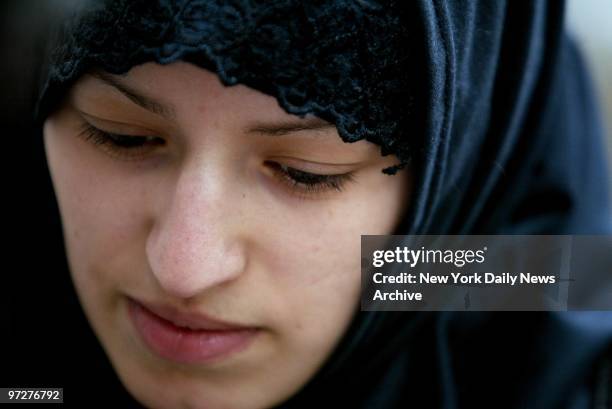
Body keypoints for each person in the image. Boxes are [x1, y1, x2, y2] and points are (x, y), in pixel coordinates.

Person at [28, 0, 612, 408]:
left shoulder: (479, 269)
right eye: (120, 136)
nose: (183, 268)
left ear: (455, 180)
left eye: (304, 173)